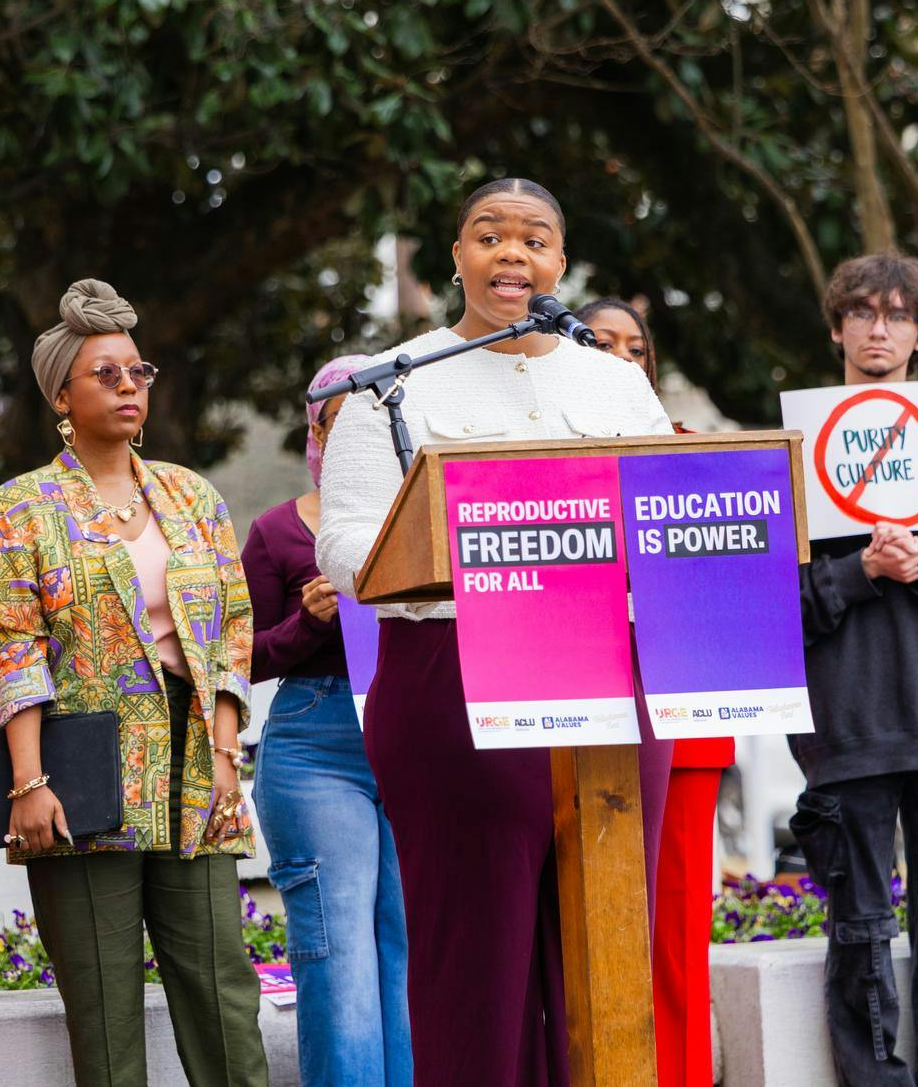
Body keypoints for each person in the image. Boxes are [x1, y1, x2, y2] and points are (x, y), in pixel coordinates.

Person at [316, 178, 676, 1087]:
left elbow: (664, 513)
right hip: (457, 689)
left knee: (605, 960)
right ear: (457, 256)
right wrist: (487, 557)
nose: (511, 253)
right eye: (489, 235)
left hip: (609, 687)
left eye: (534, 239)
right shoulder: (392, 385)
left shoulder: (614, 379)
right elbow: (348, 549)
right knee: (477, 974)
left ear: (559, 262)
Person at [0, 280, 267, 1087]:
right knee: (104, 1009)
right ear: (61, 395)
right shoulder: (19, 508)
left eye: (139, 371)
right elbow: (12, 646)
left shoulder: (191, 495)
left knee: (222, 994)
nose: (129, 385)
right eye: (106, 373)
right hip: (83, 775)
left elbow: (232, 626)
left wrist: (224, 752)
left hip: (194, 767)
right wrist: (29, 781)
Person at [784, 252, 918, 1087]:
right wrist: (858, 573)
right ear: (837, 326)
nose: (880, 328)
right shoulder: (794, 452)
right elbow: (768, 608)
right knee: (861, 932)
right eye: (864, 312)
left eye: (899, 314)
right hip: (843, 730)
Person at [243, 353, 412, 1087]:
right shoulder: (278, 529)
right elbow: (240, 656)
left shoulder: (425, 516)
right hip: (318, 740)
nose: (356, 443)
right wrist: (308, 624)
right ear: (318, 428)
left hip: (414, 729)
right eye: (341, 422)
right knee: (339, 953)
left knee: (413, 949)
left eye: (374, 423)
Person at [576, 294, 732, 1087]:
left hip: (683, 719)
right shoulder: (542, 461)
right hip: (566, 718)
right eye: (596, 341)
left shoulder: (692, 456)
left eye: (632, 347)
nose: (616, 356)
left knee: (672, 933)